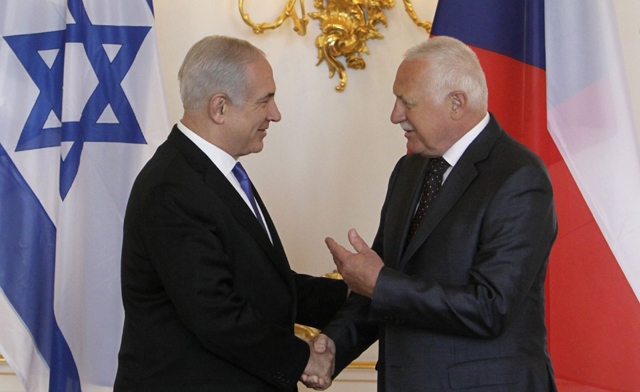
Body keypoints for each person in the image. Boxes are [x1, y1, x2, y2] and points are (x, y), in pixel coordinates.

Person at [311, 36, 558, 391]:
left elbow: (492, 307)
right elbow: (382, 285)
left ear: (457, 103)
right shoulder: (409, 170)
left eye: (406, 102)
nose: (395, 115)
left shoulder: (519, 176)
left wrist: (381, 283)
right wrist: (333, 344)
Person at [114, 35, 346, 392]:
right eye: (264, 101)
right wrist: (302, 358)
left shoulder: (212, 174)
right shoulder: (171, 187)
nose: (276, 114)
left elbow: (259, 283)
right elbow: (214, 312)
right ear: (219, 107)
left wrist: (361, 294)